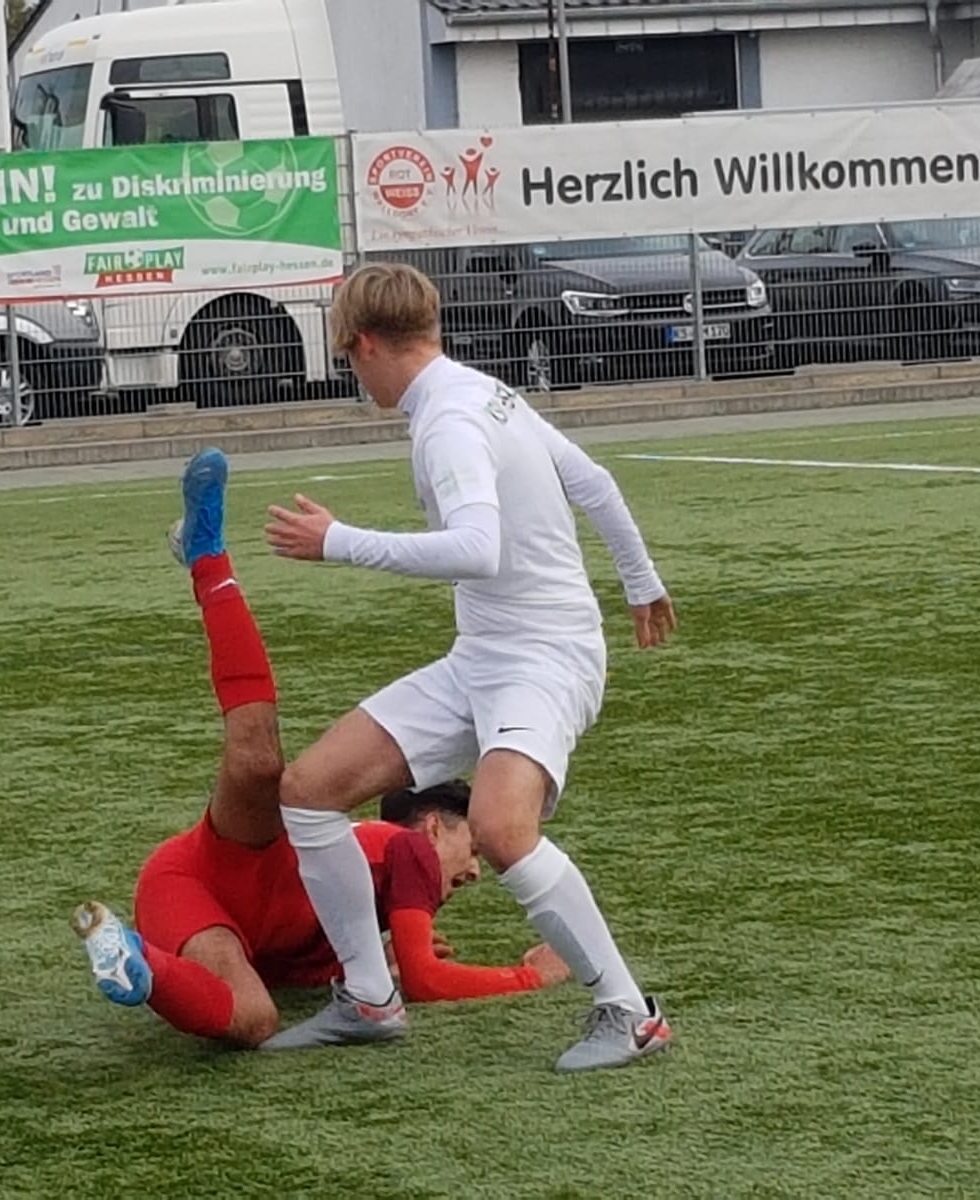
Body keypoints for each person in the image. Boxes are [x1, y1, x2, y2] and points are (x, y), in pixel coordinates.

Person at [262, 262, 677, 1072]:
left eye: (346, 358)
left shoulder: (450, 418)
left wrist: (337, 541)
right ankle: (370, 998)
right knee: (308, 792)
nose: (354, 377)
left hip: (544, 657)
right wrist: (641, 582)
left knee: (501, 829)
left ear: (366, 343)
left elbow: (477, 549)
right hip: (482, 656)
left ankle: (631, 1013)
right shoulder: (482, 391)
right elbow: (594, 483)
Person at [71, 449, 570, 1048]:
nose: (473, 870)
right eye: (473, 849)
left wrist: (361, 964)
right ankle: (208, 557)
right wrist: (531, 976)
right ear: (433, 827)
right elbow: (426, 981)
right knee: (260, 764)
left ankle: (135, 961)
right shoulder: (410, 853)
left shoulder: (373, 903)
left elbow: (296, 957)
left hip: (202, 909)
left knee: (255, 1022)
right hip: (215, 869)